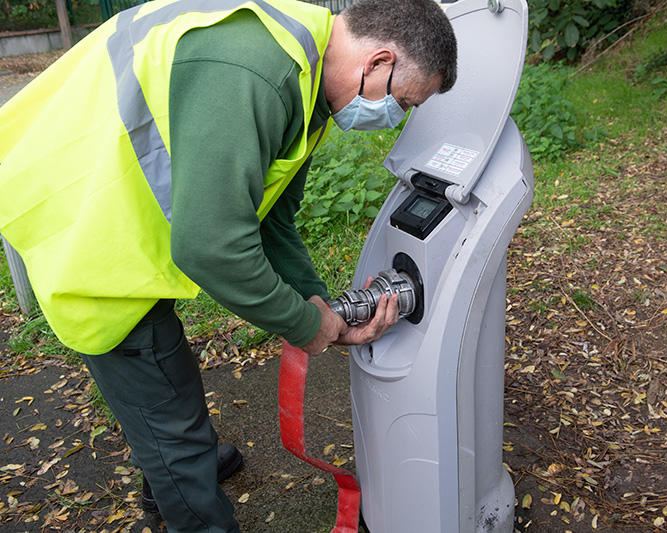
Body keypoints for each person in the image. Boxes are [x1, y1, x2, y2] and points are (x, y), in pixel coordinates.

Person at [0, 0, 457, 530]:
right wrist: (308, 325)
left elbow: (269, 222)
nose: (391, 118)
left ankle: (166, 468)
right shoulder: (256, 72)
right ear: (378, 62)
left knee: (168, 401)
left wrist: (325, 306)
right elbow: (212, 247)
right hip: (85, 229)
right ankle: (179, 479)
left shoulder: (307, 75)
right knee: (167, 403)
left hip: (114, 209)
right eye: (400, 101)